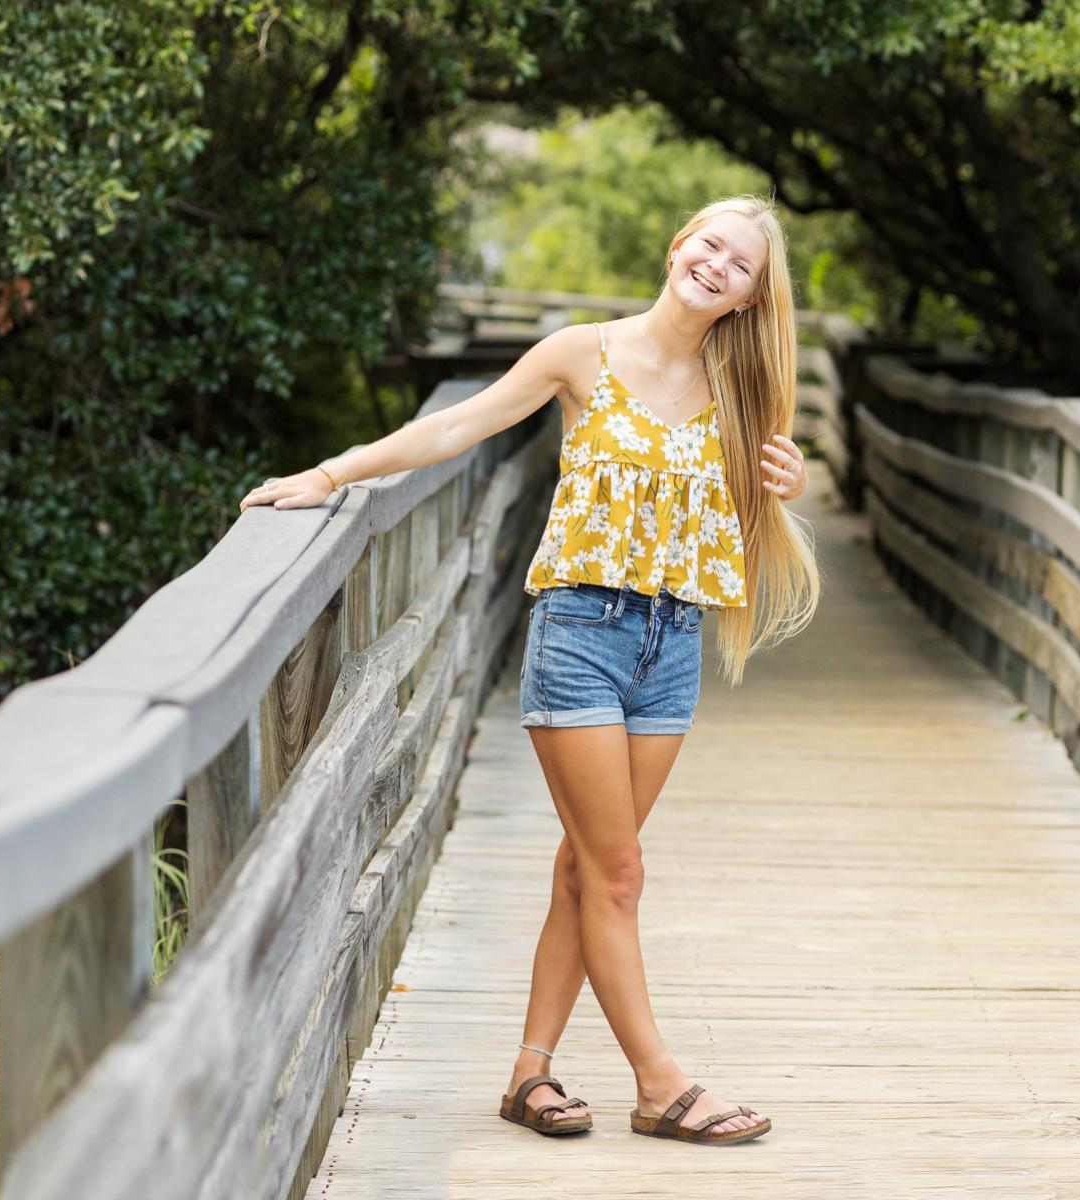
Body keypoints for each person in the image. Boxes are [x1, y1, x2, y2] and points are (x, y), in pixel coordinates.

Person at [241, 195, 818, 1145]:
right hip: (581, 631)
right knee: (618, 870)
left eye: (741, 263)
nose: (717, 264)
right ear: (678, 244)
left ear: (753, 296)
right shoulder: (580, 354)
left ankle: (530, 1074)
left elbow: (744, 522)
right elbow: (455, 428)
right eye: (709, 243)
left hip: (671, 650)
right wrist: (335, 474)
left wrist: (783, 489)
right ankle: (660, 1083)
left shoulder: (743, 387)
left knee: (583, 868)